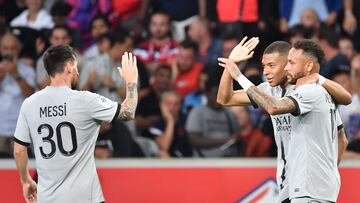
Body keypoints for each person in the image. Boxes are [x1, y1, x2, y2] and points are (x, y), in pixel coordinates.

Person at [217, 37, 351, 203]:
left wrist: (323, 173)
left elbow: (341, 136)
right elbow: (225, 99)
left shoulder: (309, 91)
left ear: (287, 64)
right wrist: (230, 64)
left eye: (272, 65)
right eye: (264, 66)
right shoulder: (267, 90)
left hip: (308, 184)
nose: (265, 71)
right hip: (289, 182)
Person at [13, 45, 138, 202]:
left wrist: (25, 181)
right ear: (68, 67)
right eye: (77, 67)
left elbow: (19, 150)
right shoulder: (85, 100)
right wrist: (131, 82)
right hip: (85, 198)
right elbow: (128, 112)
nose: (78, 73)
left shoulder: (29, 104)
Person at [0, 33, 35, 158]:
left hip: (20, 129)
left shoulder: (27, 69)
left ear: (18, 50)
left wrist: (16, 74)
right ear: (1, 50)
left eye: (12, 48)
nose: (9, 51)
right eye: (5, 48)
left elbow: (31, 94)